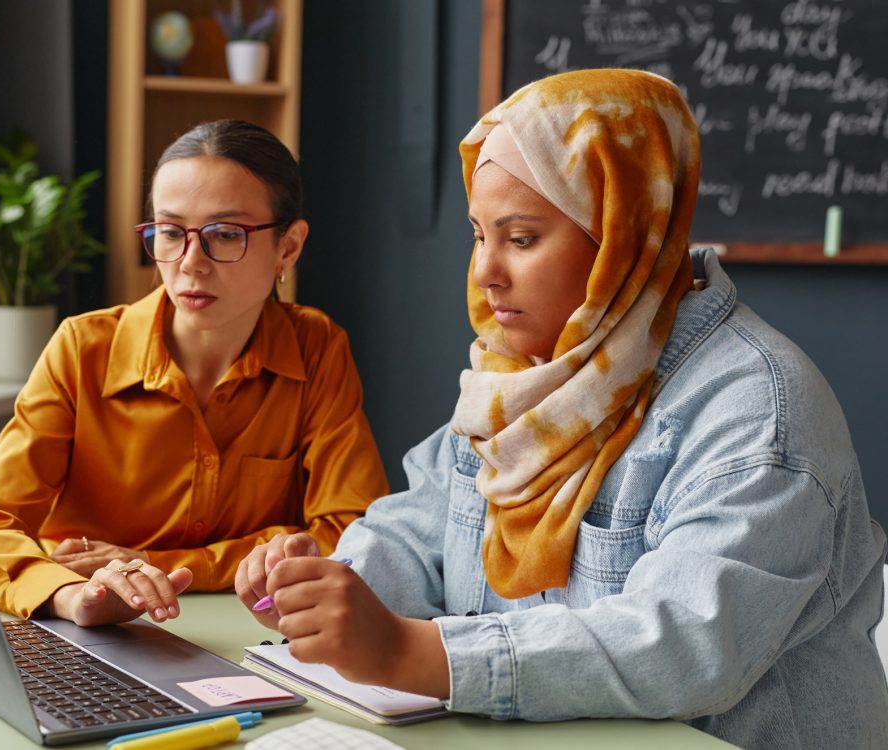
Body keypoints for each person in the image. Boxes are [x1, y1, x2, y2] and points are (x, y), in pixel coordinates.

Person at [236, 70, 888, 748]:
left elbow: (682, 647)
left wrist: (415, 654)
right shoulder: (521, 376)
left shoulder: (760, 412)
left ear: (622, 235)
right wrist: (327, 588)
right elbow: (421, 531)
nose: (486, 271)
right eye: (478, 233)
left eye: (520, 238)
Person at [0, 119, 388, 629]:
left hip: (249, 636)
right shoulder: (83, 350)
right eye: (169, 232)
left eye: (225, 234)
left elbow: (352, 532)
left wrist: (159, 566)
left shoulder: (316, 348)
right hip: (81, 633)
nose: (191, 263)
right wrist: (73, 595)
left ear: (288, 248)